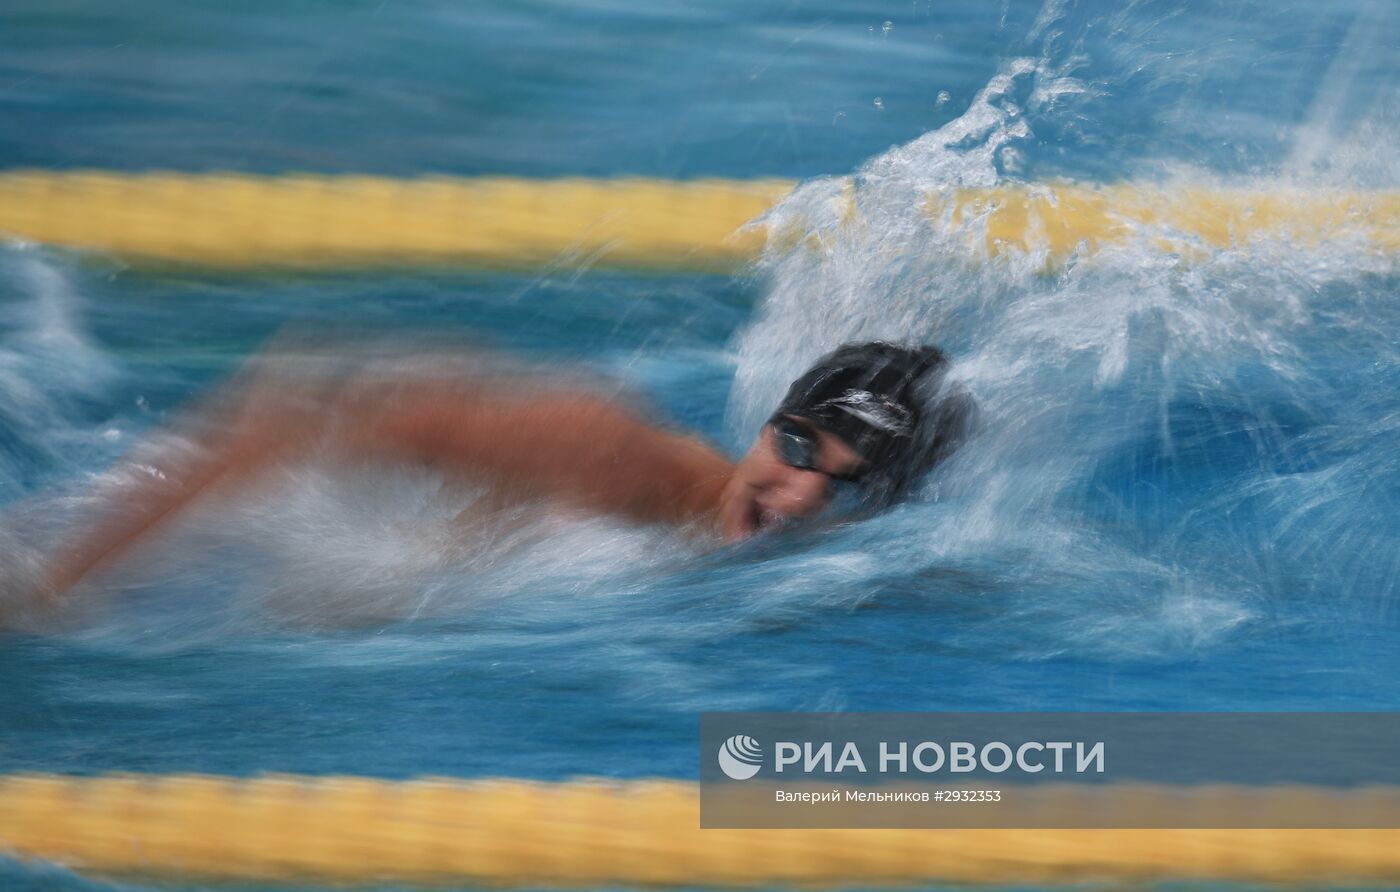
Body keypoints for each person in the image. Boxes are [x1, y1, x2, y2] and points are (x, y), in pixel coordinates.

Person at [28, 340, 974, 607]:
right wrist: (67, 579)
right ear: (769, 422)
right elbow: (297, 402)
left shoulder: (825, 560)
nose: (802, 492)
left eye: (843, 486)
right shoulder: (606, 453)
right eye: (800, 448)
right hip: (216, 526)